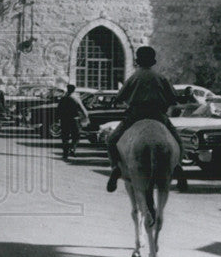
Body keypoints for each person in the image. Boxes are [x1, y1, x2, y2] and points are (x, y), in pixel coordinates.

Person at [106, 46, 187, 193]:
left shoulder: (134, 77)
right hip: (158, 115)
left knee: (112, 140)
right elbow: (173, 98)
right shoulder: (161, 77)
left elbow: (120, 97)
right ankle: (177, 166)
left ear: (138, 60)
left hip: (136, 115)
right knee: (178, 141)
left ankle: (115, 167)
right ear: (153, 61)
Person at [56, 84, 90, 160]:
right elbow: (82, 109)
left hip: (64, 120)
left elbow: (58, 110)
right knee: (76, 135)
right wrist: (86, 117)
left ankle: (65, 153)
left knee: (65, 136)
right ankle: (72, 148)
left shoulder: (63, 99)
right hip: (74, 119)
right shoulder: (75, 98)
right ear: (74, 90)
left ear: (67, 89)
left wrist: (58, 119)